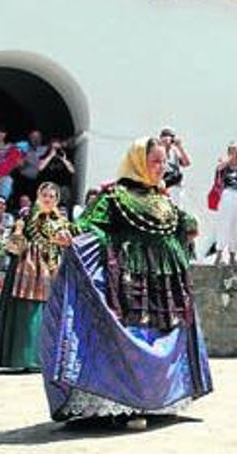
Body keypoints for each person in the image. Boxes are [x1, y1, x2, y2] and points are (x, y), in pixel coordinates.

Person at [42, 137, 212, 428]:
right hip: (129, 283)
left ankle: (159, 401)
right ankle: (124, 404)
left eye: (163, 162)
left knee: (164, 333)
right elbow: (89, 226)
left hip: (166, 283)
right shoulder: (115, 196)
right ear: (138, 162)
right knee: (134, 335)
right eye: (155, 161)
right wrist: (70, 235)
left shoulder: (163, 198)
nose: (161, 167)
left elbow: (186, 224)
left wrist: (188, 226)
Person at [0, 182, 73, 372]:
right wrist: (18, 233)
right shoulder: (27, 216)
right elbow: (13, 243)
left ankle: (45, 359)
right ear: (38, 195)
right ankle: (23, 358)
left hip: (51, 270)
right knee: (27, 314)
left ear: (57, 200)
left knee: (50, 313)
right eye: (45, 195)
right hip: (27, 269)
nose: (48, 199)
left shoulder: (61, 222)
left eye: (52, 196)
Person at [159, 127, 192, 204]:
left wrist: (180, 147)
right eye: (165, 136)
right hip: (163, 185)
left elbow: (187, 163)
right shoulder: (157, 150)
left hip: (175, 186)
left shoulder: (175, 152)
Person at [0, 195, 15, 271]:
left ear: (5, 207)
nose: (0, 205)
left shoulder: (8, 217)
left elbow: (6, 231)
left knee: (3, 240)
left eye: (3, 204)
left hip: (1, 247)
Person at [0, 127, 14, 201]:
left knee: (7, 181)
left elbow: (12, 161)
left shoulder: (10, 146)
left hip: (5, 173)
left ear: (5, 134)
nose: (0, 134)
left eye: (2, 132)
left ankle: (0, 202)